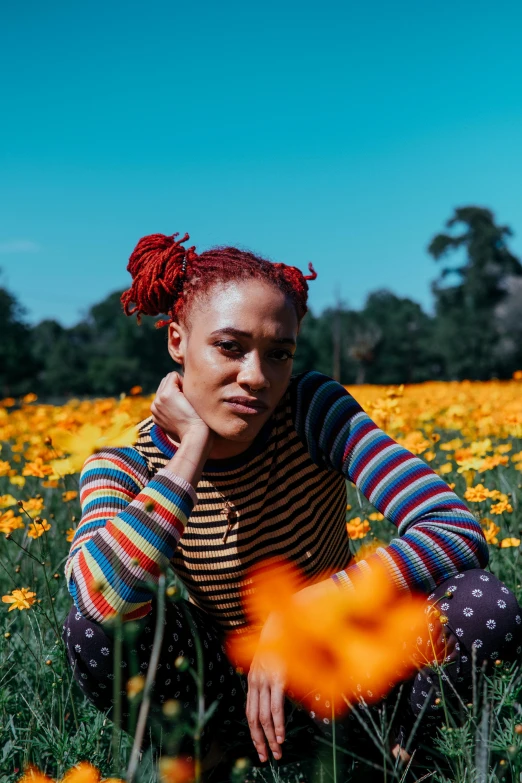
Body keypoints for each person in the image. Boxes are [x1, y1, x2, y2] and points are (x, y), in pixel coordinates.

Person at [62, 231, 521, 778]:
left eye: (278, 354)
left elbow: (454, 528)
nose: (257, 378)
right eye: (230, 347)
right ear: (178, 343)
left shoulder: (312, 411)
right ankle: (207, 759)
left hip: (349, 668)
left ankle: (398, 755)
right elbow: (99, 595)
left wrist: (305, 610)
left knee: (483, 604)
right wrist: (190, 452)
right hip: (228, 692)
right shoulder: (124, 467)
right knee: (92, 628)